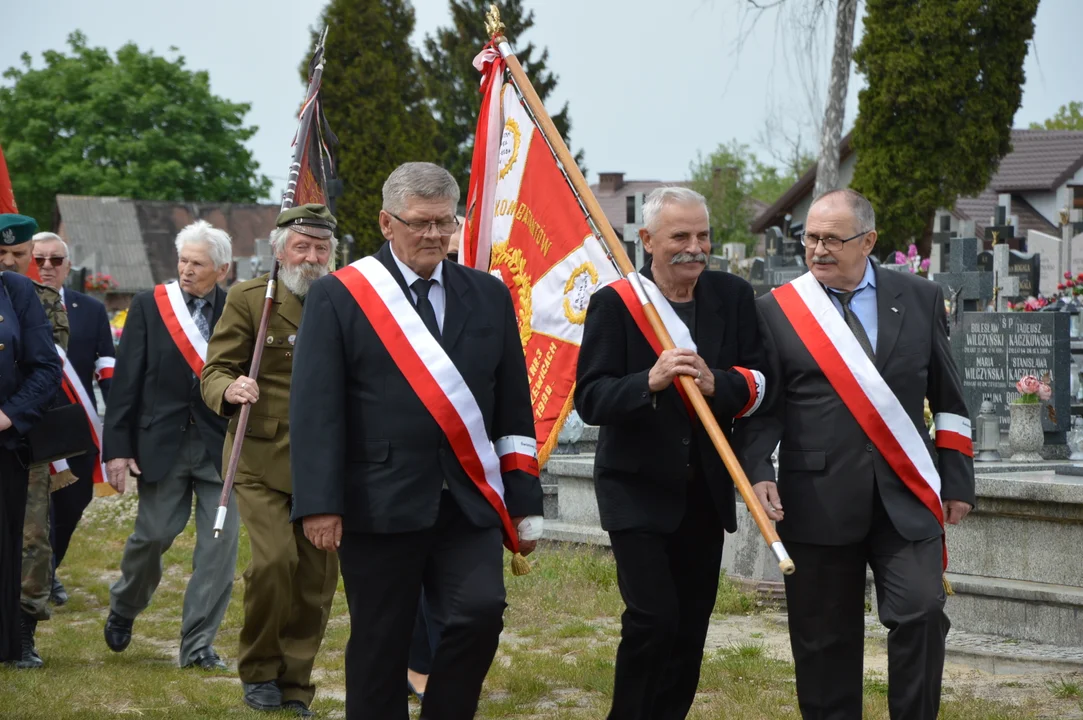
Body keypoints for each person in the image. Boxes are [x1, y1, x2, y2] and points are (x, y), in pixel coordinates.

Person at [290, 162, 543, 719]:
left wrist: (524, 500)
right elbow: (316, 407)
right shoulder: (340, 295)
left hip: (468, 499)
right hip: (377, 500)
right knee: (382, 641)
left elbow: (512, 404)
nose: (434, 235)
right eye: (420, 223)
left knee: (479, 612)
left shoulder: (488, 296)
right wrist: (320, 502)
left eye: (444, 222)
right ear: (386, 222)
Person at [735, 189, 975, 719]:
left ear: (868, 241)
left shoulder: (919, 297)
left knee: (922, 613)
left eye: (831, 239)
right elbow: (764, 408)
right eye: (810, 238)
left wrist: (956, 480)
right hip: (817, 498)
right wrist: (757, 470)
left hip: (906, 497)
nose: (817, 249)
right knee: (824, 643)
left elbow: (950, 399)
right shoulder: (776, 311)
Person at [574, 187, 766, 720]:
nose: (694, 247)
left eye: (702, 235)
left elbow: (759, 379)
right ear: (647, 240)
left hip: (704, 491)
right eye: (680, 236)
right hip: (635, 489)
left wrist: (717, 384)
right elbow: (591, 398)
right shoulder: (615, 303)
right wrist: (649, 381)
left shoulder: (732, 296)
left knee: (689, 627)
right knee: (652, 618)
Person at [201, 204, 340, 717]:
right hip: (260, 457)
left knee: (316, 579)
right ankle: (259, 671)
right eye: (301, 246)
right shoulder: (249, 300)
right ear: (279, 251)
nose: (311, 256)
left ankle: (295, 684)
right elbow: (214, 369)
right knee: (275, 563)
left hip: (324, 462)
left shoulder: (345, 298)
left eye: (321, 247)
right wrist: (231, 387)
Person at [101, 219, 238, 670]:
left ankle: (197, 647)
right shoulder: (149, 306)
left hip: (221, 448)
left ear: (222, 269)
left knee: (218, 550)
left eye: (197, 263)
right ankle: (125, 605)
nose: (186, 270)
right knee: (153, 535)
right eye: (182, 260)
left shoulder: (238, 308)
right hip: (162, 444)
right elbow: (126, 383)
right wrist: (116, 448)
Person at [0, 219, 72, 670]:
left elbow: (46, 368)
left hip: (7, 441)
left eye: (17, 253)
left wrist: (8, 415)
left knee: (21, 541)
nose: (8, 261)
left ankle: (17, 634)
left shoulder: (19, 294)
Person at [31, 232, 115, 605]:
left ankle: (49, 568)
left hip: (74, 427)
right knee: (34, 511)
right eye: (39, 259)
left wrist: (118, 421)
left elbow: (107, 367)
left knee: (72, 505)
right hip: (29, 425)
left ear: (68, 265)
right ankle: (32, 580)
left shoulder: (91, 309)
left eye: (55, 260)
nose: (47, 267)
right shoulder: (13, 305)